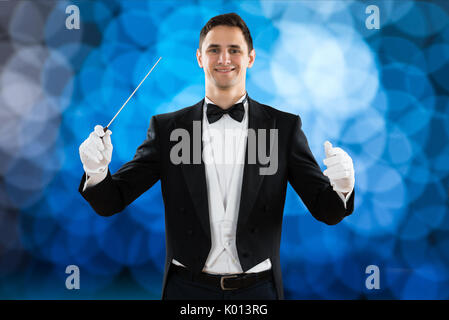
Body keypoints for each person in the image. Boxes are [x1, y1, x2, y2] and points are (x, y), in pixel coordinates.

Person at [78, 13, 355, 300]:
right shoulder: (168, 129)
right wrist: (96, 170)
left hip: (259, 292)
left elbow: (327, 211)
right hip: (185, 290)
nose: (224, 58)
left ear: (250, 58)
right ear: (200, 57)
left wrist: (343, 185)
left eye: (234, 50)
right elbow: (112, 201)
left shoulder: (283, 128)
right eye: (214, 50)